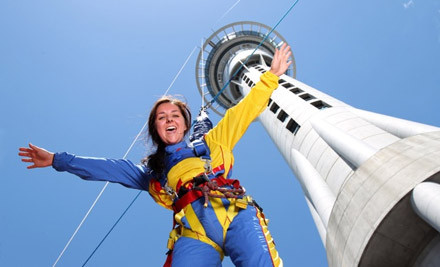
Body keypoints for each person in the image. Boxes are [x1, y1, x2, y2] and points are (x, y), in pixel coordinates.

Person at [19, 44, 292, 267]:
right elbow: (106, 168)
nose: (169, 120)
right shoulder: (152, 173)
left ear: (185, 125)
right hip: (194, 230)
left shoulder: (213, 142)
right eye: (162, 117)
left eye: (175, 115)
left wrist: (271, 76)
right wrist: (57, 160)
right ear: (156, 128)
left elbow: (242, 113)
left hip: (234, 211)